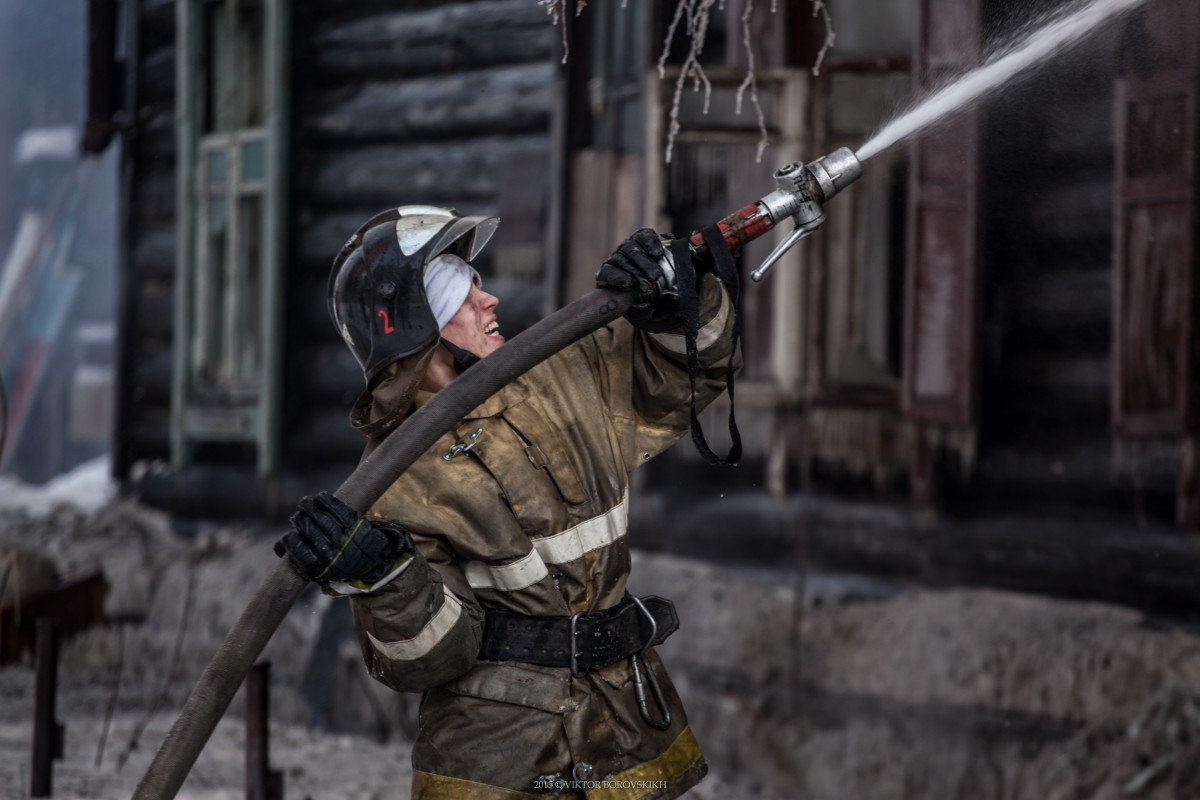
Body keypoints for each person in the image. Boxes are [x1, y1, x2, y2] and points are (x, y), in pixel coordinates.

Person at [276, 205, 740, 799]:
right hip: (496, 759)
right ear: (419, 325)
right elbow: (432, 659)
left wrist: (676, 305)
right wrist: (384, 577)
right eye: (462, 292)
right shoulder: (391, 481)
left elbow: (688, 380)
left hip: (622, 726)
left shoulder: (558, 373)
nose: (490, 300)